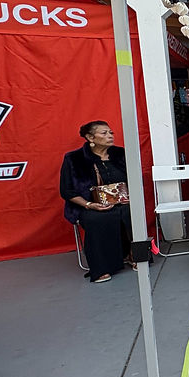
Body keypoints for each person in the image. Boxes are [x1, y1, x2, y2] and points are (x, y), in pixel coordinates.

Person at [60, 121, 132, 283]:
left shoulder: (121, 154)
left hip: (122, 203)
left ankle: (135, 254)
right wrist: (89, 204)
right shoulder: (74, 158)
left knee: (130, 213)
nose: (110, 136)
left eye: (111, 133)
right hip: (87, 206)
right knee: (97, 218)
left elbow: (135, 180)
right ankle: (101, 267)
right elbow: (66, 190)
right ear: (90, 137)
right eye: (104, 133)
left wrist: (129, 197)